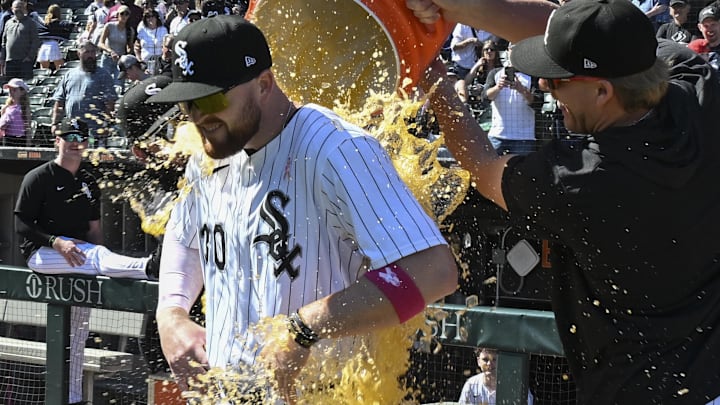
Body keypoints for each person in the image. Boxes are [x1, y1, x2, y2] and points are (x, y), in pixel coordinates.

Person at [406, 0, 720, 403]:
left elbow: (483, 167)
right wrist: (453, 6)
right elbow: (572, 28)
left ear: (603, 91)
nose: (542, 85)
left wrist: (436, 78)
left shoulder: (580, 180)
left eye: (556, 81)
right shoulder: (698, 89)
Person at [146, 15, 457, 402]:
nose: (196, 116)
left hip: (318, 394)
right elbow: (185, 238)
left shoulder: (336, 149)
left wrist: (305, 328)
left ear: (264, 84)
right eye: (187, 102)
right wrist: (171, 313)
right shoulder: (207, 156)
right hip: (222, 391)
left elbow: (435, 271)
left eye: (210, 98)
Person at [14, 117, 160, 405]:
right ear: (58, 140)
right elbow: (22, 224)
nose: (75, 142)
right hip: (42, 254)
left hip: (81, 258)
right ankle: (148, 267)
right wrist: (58, 242)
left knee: (78, 333)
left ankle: (73, 398)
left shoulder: (88, 180)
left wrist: (100, 261)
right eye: (69, 136)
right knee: (90, 256)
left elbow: (94, 229)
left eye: (81, 137)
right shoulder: (39, 176)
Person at [51, 40, 117, 145]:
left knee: (92, 159)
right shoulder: (69, 75)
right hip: (72, 131)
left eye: (92, 52)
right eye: (87, 52)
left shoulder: (104, 75)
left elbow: (110, 104)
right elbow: (59, 102)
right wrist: (55, 123)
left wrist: (106, 126)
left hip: (95, 133)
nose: (90, 55)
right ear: (79, 54)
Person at [481, 45, 538, 155]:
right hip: (497, 135)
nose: (515, 51)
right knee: (491, 169)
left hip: (524, 136)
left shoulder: (532, 76)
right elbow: (485, 97)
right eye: (512, 48)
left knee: (524, 171)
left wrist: (522, 90)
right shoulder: (495, 73)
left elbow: (537, 102)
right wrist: (498, 87)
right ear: (507, 52)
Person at [458, 347, 534, 405]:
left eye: (494, 359)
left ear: (502, 360)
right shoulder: (470, 385)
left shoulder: (518, 387)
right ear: (478, 361)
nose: (489, 364)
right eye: (485, 359)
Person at [0, 0, 40, 81]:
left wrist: (30, 57)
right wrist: (2, 58)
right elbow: (4, 42)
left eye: (21, 7)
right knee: (10, 86)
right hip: (10, 62)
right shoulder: (8, 23)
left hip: (24, 62)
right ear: (12, 9)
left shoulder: (31, 23)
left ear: (24, 8)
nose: (19, 9)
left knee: (24, 85)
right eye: (16, 7)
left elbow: (35, 41)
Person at [97, 4, 135, 82]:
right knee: (104, 82)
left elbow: (130, 46)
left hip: (120, 60)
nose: (124, 16)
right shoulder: (109, 26)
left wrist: (128, 52)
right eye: (122, 13)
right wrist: (110, 51)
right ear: (117, 15)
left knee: (119, 83)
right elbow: (100, 43)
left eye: (126, 14)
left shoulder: (130, 30)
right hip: (107, 58)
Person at [37, 4, 76, 71]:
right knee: (60, 67)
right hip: (53, 45)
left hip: (44, 46)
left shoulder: (44, 23)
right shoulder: (58, 22)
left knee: (43, 68)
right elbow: (70, 25)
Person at [134, 8, 167, 73]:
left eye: (153, 16)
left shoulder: (163, 30)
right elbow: (136, 47)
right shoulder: (142, 31)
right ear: (145, 19)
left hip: (160, 63)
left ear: (157, 18)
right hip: (145, 64)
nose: (150, 18)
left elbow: (166, 46)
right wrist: (140, 60)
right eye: (148, 17)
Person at [0, 77, 29, 145]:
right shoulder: (6, 107)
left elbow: (28, 126)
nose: (11, 92)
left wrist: (28, 142)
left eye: (14, 90)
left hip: (21, 139)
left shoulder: (24, 107)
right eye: (10, 90)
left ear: (22, 91)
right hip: (7, 138)